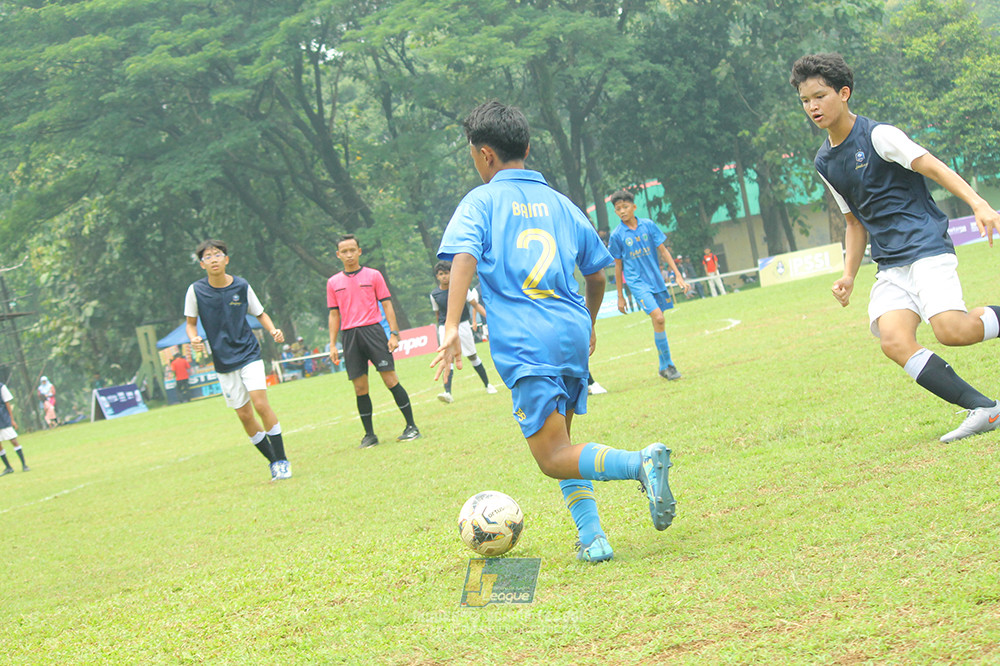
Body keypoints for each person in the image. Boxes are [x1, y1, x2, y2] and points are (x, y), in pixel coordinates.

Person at [433, 100, 675, 564]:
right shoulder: (562, 204)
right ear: (525, 145)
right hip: (569, 332)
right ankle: (594, 538)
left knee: (550, 457)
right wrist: (587, 322)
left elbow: (461, 256)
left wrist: (449, 324)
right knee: (565, 442)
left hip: (527, 342)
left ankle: (637, 463)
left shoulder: (480, 201)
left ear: (484, 155)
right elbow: (598, 274)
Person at [790, 53, 1000, 443]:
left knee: (952, 331)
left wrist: (978, 203)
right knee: (894, 341)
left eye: (820, 96)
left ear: (844, 93)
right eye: (805, 101)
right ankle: (985, 409)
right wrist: (848, 275)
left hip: (924, 245)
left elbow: (935, 167)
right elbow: (854, 222)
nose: (812, 107)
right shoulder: (824, 160)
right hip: (888, 262)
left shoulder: (879, 136)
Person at [184, 239, 292, 481]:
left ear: (226, 259)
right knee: (244, 415)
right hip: (223, 361)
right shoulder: (196, 291)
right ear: (202, 264)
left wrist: (273, 330)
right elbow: (190, 324)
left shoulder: (241, 285)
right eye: (208, 256)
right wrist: (194, 338)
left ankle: (283, 460)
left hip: (249, 353)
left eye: (218, 254)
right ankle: (273, 461)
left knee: (260, 404)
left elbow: (260, 312)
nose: (213, 259)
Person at [328, 234, 421, 448]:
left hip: (374, 332)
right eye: (344, 251)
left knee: (390, 379)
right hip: (350, 336)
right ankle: (369, 435)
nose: (349, 255)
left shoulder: (374, 275)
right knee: (360, 388)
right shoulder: (333, 283)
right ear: (338, 255)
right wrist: (332, 344)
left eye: (353, 250)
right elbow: (334, 315)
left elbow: (387, 305)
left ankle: (411, 426)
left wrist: (394, 333)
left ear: (359, 251)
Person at [608, 189, 689, 380]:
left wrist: (678, 275)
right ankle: (669, 364)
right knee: (659, 317)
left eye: (625, 207)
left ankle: (663, 366)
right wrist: (620, 296)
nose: (622, 211)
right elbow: (618, 267)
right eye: (618, 209)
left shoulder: (648, 226)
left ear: (634, 207)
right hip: (637, 283)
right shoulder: (617, 236)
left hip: (656, 279)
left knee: (659, 321)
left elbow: (664, 251)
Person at [430, 260, 498, 403]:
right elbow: (437, 314)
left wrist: (490, 317)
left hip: (462, 325)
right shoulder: (434, 295)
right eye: (441, 274)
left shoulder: (461, 288)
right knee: (447, 357)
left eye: (447, 273)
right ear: (437, 276)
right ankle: (447, 392)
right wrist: (442, 328)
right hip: (445, 327)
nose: (444, 277)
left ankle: (488, 385)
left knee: (472, 356)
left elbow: (475, 305)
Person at [0, 382, 29, 475]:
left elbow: (7, 403)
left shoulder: (1, 386)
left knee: (13, 441)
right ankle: (8, 467)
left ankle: (24, 465)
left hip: (3, 419)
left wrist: (12, 419)